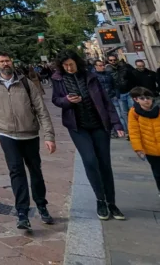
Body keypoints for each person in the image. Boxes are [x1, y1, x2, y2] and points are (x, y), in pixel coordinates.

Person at [0, 52, 56, 231]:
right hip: (6, 134)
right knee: (16, 172)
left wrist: (49, 136)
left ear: (12, 62)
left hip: (29, 133)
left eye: (7, 60)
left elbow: (41, 110)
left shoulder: (25, 82)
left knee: (35, 171)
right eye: (1, 61)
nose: (5, 64)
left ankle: (42, 206)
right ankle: (22, 212)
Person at [51, 50, 125, 221]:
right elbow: (56, 100)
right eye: (65, 65)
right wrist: (68, 101)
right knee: (90, 160)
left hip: (99, 124)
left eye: (71, 64)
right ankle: (100, 200)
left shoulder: (91, 77)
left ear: (77, 62)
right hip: (78, 127)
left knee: (105, 164)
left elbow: (106, 101)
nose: (69, 68)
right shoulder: (58, 79)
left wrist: (117, 123)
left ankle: (111, 202)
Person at [107, 54, 132, 136]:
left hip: (128, 91)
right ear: (108, 61)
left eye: (114, 60)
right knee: (123, 113)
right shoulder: (107, 71)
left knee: (132, 110)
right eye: (111, 60)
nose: (113, 61)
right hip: (118, 94)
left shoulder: (123, 67)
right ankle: (128, 130)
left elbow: (131, 77)